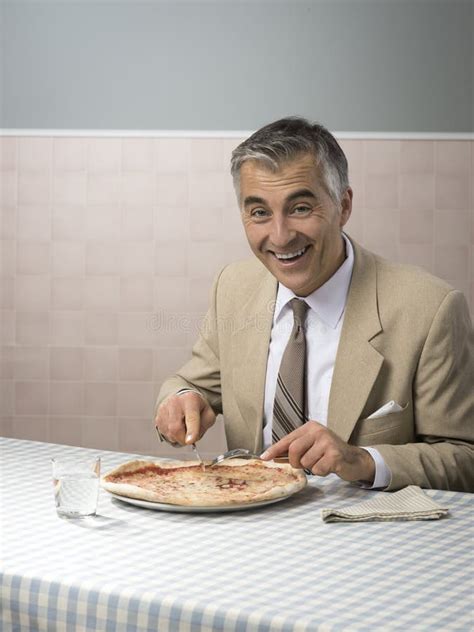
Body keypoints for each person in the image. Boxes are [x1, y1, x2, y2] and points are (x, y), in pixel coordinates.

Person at [155, 116, 473, 492]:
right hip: (249, 530)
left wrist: (363, 460)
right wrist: (181, 399)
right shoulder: (233, 286)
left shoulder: (431, 308)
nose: (280, 235)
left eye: (301, 208)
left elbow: (464, 458)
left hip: (367, 535)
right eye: (259, 212)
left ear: (344, 205)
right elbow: (194, 382)